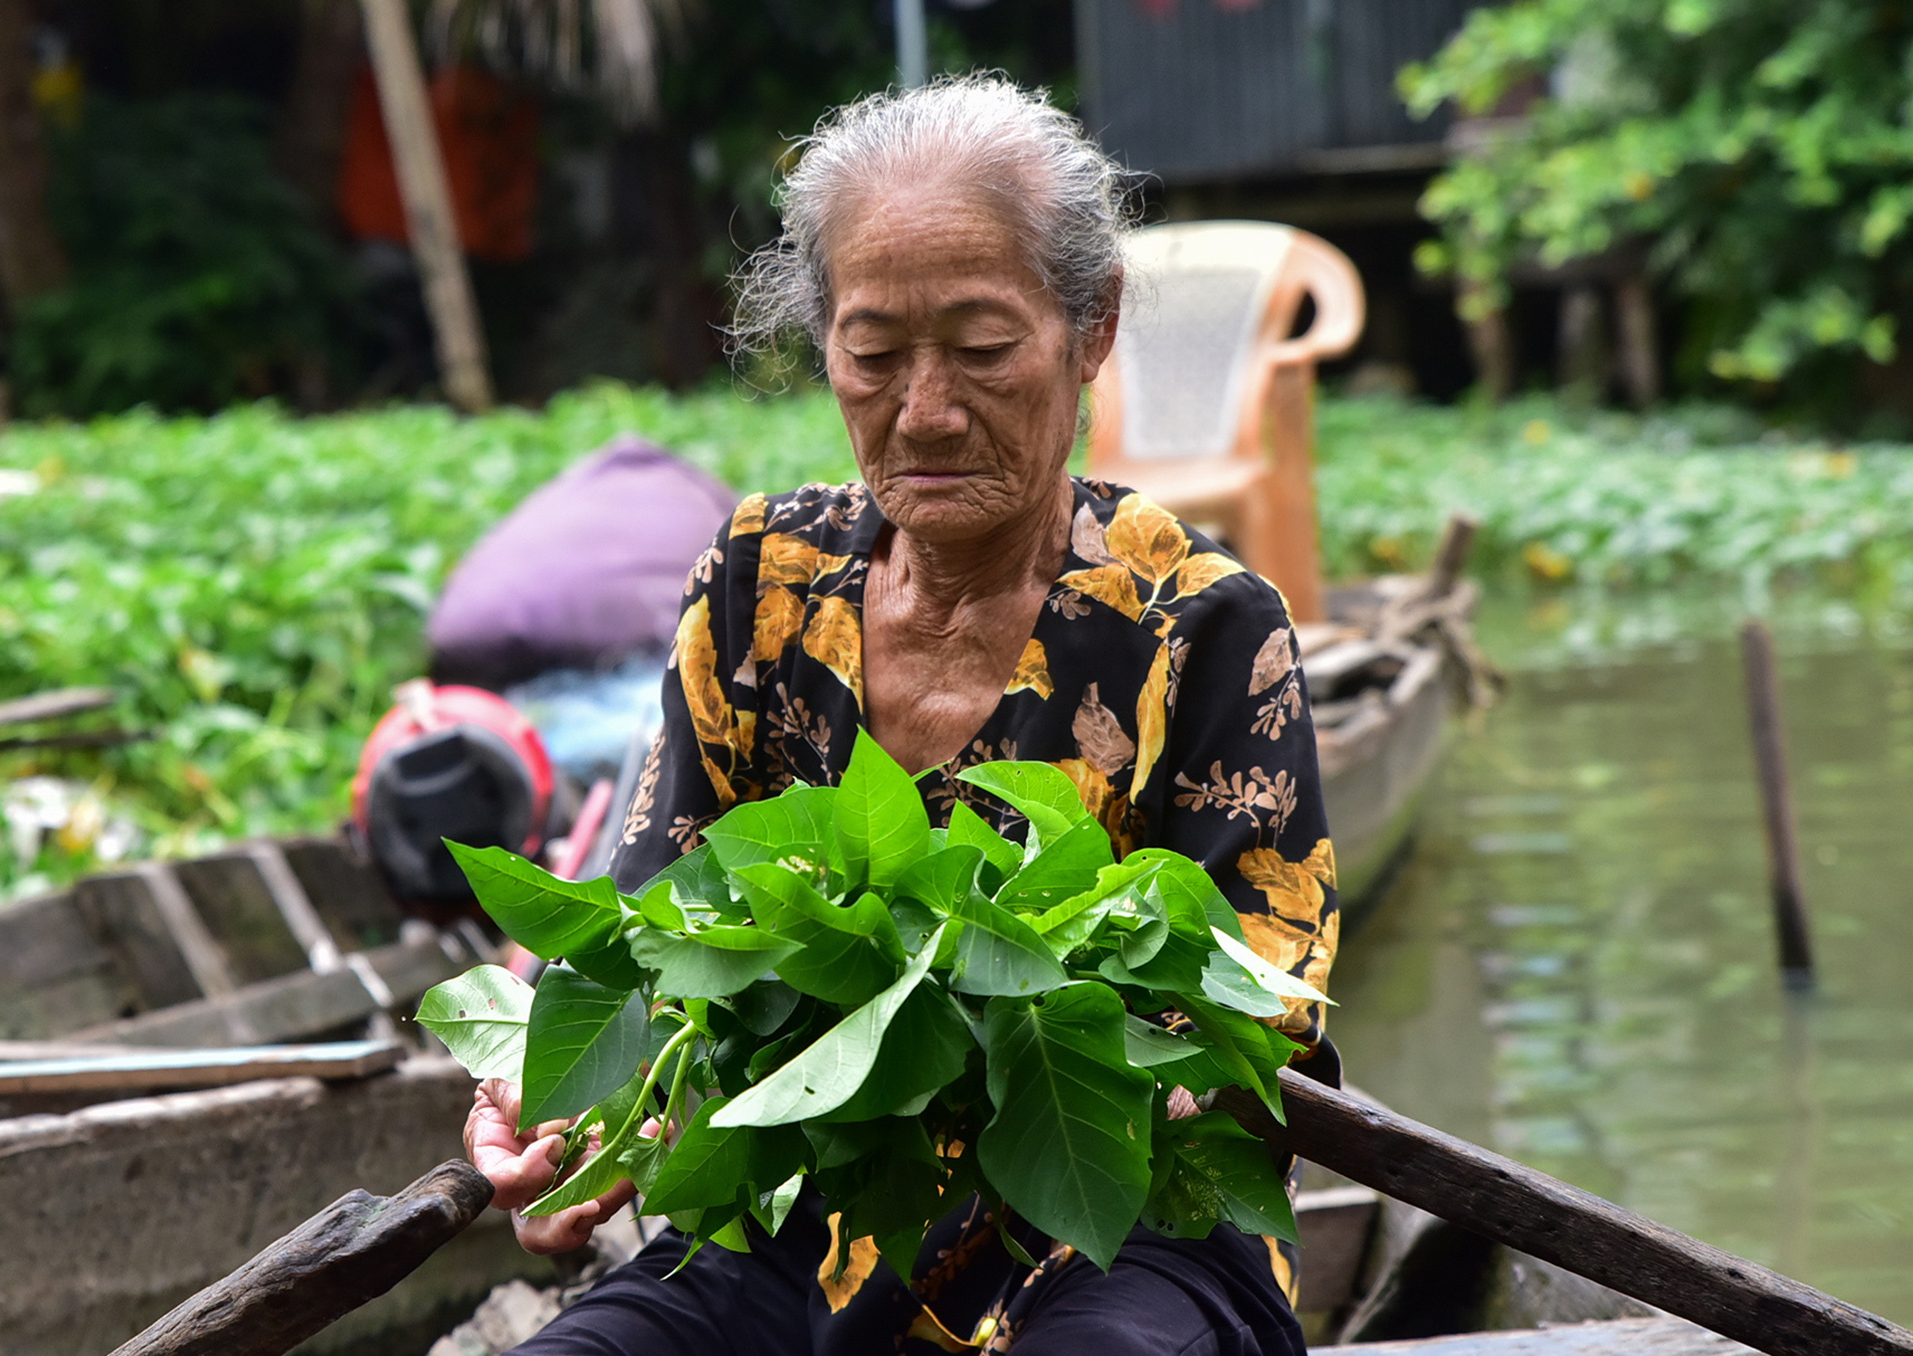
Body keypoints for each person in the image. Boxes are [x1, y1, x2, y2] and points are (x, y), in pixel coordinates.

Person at [464, 76, 1341, 1356]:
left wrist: (967, 1019)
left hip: (1120, 1229)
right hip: (802, 1218)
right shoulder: (759, 582)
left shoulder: (1203, 628)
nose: (922, 412)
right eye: (873, 355)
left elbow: (1254, 1017)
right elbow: (653, 928)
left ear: (1087, 328)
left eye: (982, 350)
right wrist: (566, 1103)